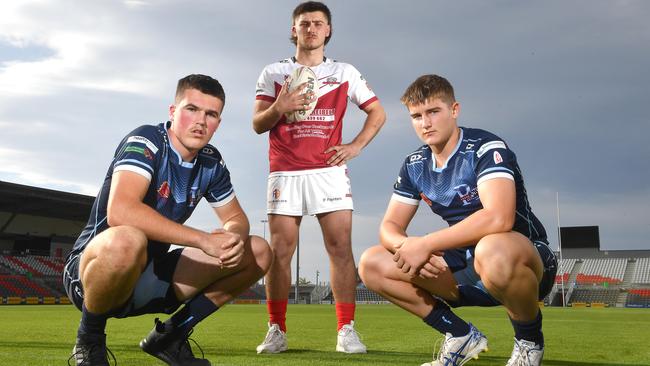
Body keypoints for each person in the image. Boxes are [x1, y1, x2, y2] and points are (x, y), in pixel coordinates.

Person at [63, 74, 273, 366]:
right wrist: (203, 240)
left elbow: (236, 218)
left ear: (218, 123)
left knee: (258, 251)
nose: (200, 121)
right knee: (127, 239)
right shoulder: (147, 140)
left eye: (210, 114)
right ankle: (89, 340)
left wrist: (231, 237)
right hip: (94, 276)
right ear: (173, 112)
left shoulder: (211, 162)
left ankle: (171, 335)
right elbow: (121, 211)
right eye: (191, 109)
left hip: (150, 278)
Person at [358, 74, 557, 366]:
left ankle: (529, 341)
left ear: (454, 110)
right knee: (372, 263)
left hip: (522, 260)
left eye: (433, 112)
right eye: (416, 116)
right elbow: (389, 227)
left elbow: (498, 217)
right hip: (465, 264)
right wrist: (408, 245)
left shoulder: (485, 147)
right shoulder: (415, 165)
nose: (425, 123)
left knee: (493, 248)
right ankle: (461, 336)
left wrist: (426, 243)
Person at [252, 1, 386, 354]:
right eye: (304, 23)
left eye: (317, 23)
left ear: (328, 30)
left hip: (329, 171)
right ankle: (276, 330)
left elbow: (377, 112)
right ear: (293, 30)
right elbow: (257, 124)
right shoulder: (274, 72)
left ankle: (346, 330)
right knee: (281, 251)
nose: (310, 29)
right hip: (285, 170)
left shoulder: (344, 72)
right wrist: (279, 107)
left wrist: (356, 145)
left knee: (340, 249)